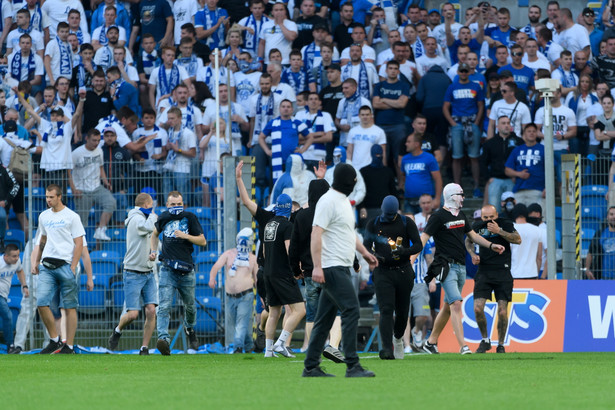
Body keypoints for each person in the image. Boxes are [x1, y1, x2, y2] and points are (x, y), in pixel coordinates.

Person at [303, 163, 379, 377]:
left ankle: (310, 367)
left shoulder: (343, 201)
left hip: (341, 266)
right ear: (347, 181)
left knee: (324, 319)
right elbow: (315, 233)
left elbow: (348, 234)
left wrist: (364, 252)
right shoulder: (328, 201)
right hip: (331, 266)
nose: (355, 184)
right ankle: (353, 365)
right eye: (353, 180)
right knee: (351, 309)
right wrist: (317, 266)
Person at [420, 183, 505, 355]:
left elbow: (473, 236)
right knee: (456, 304)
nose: (463, 198)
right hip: (446, 265)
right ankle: (463, 346)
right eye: (460, 194)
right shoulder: (437, 217)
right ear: (452, 196)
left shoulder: (461, 215)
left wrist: (490, 245)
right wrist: (411, 257)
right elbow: (424, 238)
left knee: (447, 306)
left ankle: (430, 342)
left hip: (460, 267)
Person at [32, 184, 90, 354]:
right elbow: (42, 238)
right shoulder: (43, 216)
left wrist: (73, 266)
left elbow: (79, 243)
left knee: (70, 307)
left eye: (51, 197)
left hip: (66, 265)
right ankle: (55, 339)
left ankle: (69, 346)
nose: (48, 200)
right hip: (46, 265)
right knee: (41, 302)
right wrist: (36, 260)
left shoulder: (72, 216)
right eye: (46, 197)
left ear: (59, 197)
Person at [363, 195, 422, 360]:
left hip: (403, 270)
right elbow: (366, 247)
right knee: (386, 309)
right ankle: (386, 348)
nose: (388, 219)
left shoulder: (406, 223)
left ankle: (398, 338)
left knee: (403, 312)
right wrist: (374, 256)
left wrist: (404, 251)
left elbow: (418, 244)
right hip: (383, 271)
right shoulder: (373, 224)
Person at [151, 191, 206, 355]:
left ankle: (190, 330)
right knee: (164, 306)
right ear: (167, 205)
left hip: (186, 270)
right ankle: (163, 339)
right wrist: (153, 250)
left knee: (190, 306)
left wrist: (185, 236)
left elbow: (202, 241)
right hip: (167, 269)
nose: (176, 207)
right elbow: (154, 235)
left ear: (183, 204)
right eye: (173, 204)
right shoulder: (163, 218)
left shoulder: (190, 217)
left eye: (178, 204)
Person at [466, 204, 521, 354]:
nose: (489, 220)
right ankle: (485, 340)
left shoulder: (505, 224)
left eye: (492, 217)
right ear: (481, 217)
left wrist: (500, 231)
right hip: (483, 272)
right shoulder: (477, 226)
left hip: (502, 272)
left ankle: (501, 344)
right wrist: (472, 254)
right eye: (486, 218)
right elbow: (468, 241)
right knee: (477, 308)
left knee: (503, 311)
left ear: (497, 215)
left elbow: (518, 239)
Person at [107, 193, 158, 355]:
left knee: (151, 310)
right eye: (152, 204)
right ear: (147, 204)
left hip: (149, 272)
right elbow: (148, 228)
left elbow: (153, 238)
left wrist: (153, 253)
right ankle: (118, 329)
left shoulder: (145, 218)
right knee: (133, 314)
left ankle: (144, 347)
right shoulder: (136, 219)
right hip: (133, 273)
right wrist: (155, 216)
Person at [260, 193, 306, 358]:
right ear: (289, 209)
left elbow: (264, 251)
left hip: (268, 273)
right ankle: (281, 343)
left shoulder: (268, 224)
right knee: (300, 310)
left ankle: (268, 351)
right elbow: (289, 251)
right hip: (283, 273)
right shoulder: (287, 226)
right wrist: (297, 268)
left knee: (274, 312)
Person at [209, 228, 258, 353]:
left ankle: (238, 348)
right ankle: (249, 345)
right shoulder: (228, 254)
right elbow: (216, 266)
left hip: (246, 295)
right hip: (230, 296)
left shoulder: (252, 258)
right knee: (237, 323)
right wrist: (212, 278)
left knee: (241, 323)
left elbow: (257, 278)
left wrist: (262, 296)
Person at [443, 62, 484, 197]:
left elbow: (481, 105)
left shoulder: (476, 86)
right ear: (458, 72)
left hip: (471, 122)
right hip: (458, 123)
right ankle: (456, 188)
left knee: (474, 156)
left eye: (466, 71)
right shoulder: (452, 87)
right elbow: (445, 107)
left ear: (469, 72)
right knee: (457, 156)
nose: (464, 73)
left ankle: (476, 186)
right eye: (462, 71)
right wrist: (452, 123)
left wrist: (477, 122)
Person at [68, 129, 117, 241]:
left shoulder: (99, 151)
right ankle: (77, 245)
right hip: (82, 189)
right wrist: (73, 188)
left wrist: (106, 182)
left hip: (96, 187)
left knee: (111, 202)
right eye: (94, 140)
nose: (96, 143)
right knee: (82, 222)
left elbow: (101, 168)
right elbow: (68, 172)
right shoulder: (76, 153)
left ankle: (101, 230)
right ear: (87, 139)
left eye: (98, 140)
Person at [481, 115, 522, 212]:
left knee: (512, 210)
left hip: (512, 180)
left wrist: (517, 176)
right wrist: (488, 178)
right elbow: (483, 162)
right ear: (497, 126)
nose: (506, 125)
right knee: (494, 210)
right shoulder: (489, 143)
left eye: (508, 123)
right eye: (503, 123)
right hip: (495, 180)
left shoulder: (519, 142)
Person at [399, 132, 442, 214]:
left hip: (426, 202)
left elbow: (438, 179)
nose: (406, 144)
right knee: (410, 226)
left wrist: (437, 199)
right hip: (409, 201)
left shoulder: (429, 158)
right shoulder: (404, 159)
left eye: (408, 142)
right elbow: (403, 176)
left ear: (416, 144)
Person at [505, 123, 545, 207]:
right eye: (529, 131)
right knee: (518, 217)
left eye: (534, 131)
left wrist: (547, 189)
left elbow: (550, 170)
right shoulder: (517, 150)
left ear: (537, 134)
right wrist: (519, 174)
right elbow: (507, 170)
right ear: (524, 134)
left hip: (538, 190)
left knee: (537, 218)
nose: (531, 133)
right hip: (519, 190)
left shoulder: (543, 149)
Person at [0, 244, 29, 353]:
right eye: (14, 256)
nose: (17, 258)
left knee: (7, 317)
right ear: (6, 256)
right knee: (7, 316)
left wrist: (24, 286)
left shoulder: (16, 262)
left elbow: (20, 271)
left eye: (17, 255)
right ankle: (11, 346)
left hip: (4, 295)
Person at [346, 105, 386, 171]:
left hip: (372, 168)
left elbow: (383, 152)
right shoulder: (353, 131)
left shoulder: (379, 132)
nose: (365, 117)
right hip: (356, 168)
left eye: (367, 114)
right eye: (363, 115)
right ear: (359, 115)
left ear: (371, 115)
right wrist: (349, 167)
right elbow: (349, 151)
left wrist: (383, 169)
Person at [586, 206, 615, 280]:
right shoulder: (600, 234)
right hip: (603, 277)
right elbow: (590, 252)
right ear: (607, 217)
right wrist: (587, 269)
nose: (614, 217)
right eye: (611, 214)